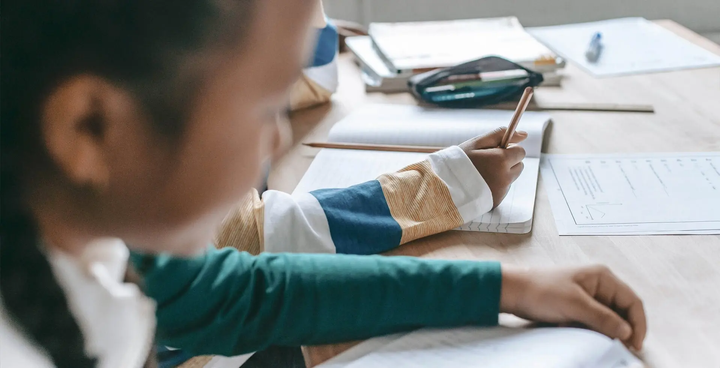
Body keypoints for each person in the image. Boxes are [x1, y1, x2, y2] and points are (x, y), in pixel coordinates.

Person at [0, 1, 647, 368]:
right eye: (263, 107)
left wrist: (512, 287)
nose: (278, 139)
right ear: (88, 127)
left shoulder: (98, 237)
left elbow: (237, 293)